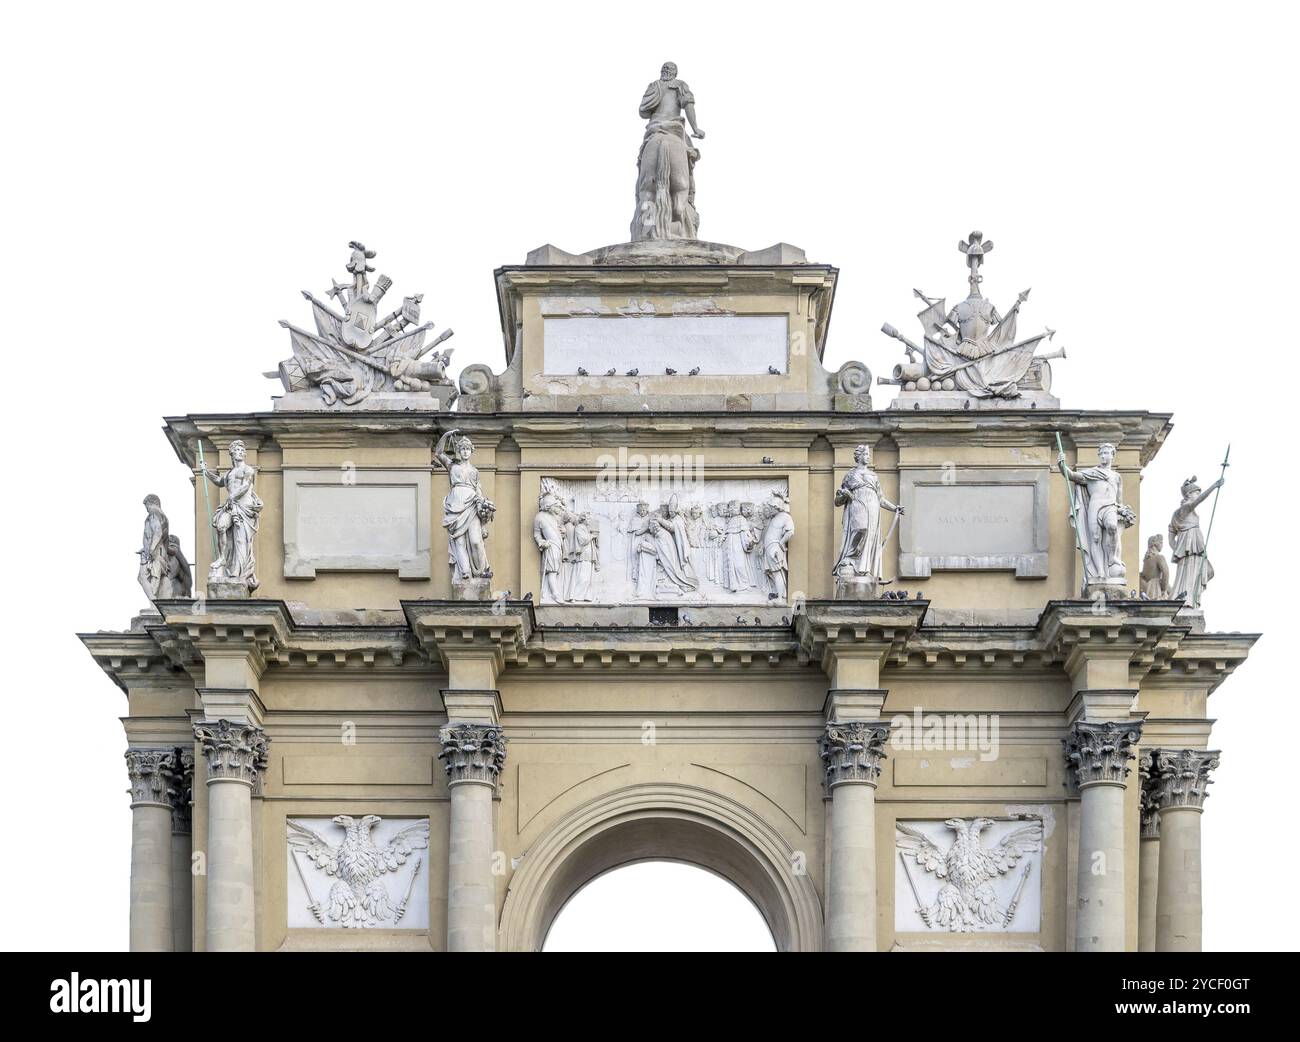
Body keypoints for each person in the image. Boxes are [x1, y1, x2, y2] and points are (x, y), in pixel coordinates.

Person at [832, 444, 903, 580]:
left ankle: (861, 567)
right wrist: (845, 495)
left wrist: (894, 508)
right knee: (860, 528)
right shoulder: (850, 475)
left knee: (869, 536)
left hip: (873, 507)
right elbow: (837, 501)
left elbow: (880, 498)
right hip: (857, 505)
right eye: (865, 455)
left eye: (868, 455)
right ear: (858, 457)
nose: (868, 457)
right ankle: (849, 558)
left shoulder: (873, 476)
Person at [201, 439, 263, 591]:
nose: (240, 453)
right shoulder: (229, 473)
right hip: (231, 506)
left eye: (242, 451)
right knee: (221, 526)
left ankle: (238, 572)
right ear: (232, 453)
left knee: (241, 541)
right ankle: (222, 558)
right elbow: (219, 481)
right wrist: (206, 472)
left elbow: (245, 486)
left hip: (244, 508)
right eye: (237, 450)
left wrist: (231, 497)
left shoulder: (247, 470)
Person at [435, 429, 494, 582]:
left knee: (475, 540)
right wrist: (446, 436)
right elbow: (438, 453)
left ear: (471, 451)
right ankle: (465, 572)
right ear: (459, 451)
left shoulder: (474, 471)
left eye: (468, 449)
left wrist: (484, 504)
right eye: (463, 449)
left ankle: (481, 571)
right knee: (459, 541)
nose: (465, 451)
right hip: (454, 504)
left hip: (472, 504)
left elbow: (478, 490)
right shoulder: (452, 466)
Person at [1169, 474, 1223, 606]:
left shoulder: (1185, 511)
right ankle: (1187, 599)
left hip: (1195, 544)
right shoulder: (1184, 509)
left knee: (1208, 571)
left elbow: (1171, 533)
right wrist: (1214, 486)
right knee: (1191, 570)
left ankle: (1192, 596)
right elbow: (1171, 531)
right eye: (1196, 493)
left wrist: (1176, 547)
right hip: (1190, 545)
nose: (1198, 496)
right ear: (1189, 495)